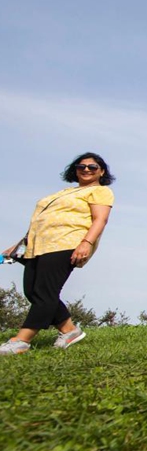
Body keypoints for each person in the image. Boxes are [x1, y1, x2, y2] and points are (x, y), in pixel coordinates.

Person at [0, 152, 115, 355]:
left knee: (45, 292)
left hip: (67, 242)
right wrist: (18, 245)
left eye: (92, 167)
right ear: (75, 170)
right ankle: (69, 330)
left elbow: (100, 219)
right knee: (32, 291)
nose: (86, 169)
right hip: (39, 245)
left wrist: (86, 243)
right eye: (81, 167)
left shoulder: (101, 191)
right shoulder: (63, 193)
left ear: (101, 172)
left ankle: (21, 341)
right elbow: (40, 221)